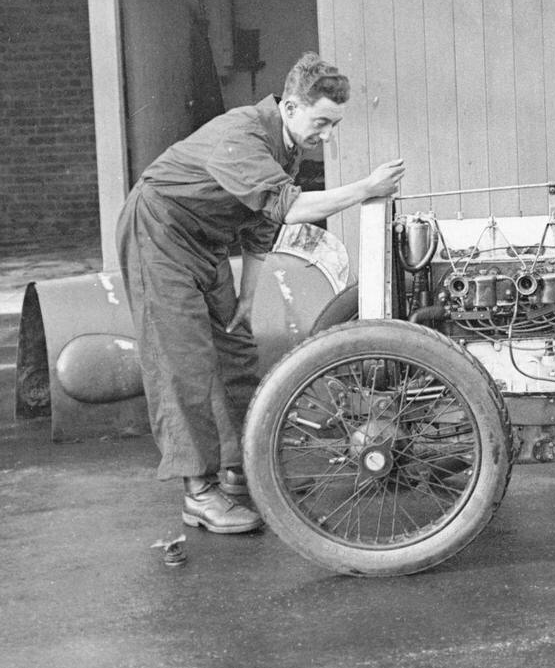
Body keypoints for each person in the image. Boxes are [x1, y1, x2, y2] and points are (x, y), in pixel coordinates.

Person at [117, 53, 406, 534]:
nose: (328, 136)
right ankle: (198, 492)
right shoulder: (244, 134)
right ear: (291, 106)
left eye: (334, 125)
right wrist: (366, 187)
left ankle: (240, 469)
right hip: (159, 234)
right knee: (181, 362)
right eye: (322, 122)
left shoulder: (285, 143)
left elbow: (258, 226)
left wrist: (247, 297)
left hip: (205, 242)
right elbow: (290, 210)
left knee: (236, 350)